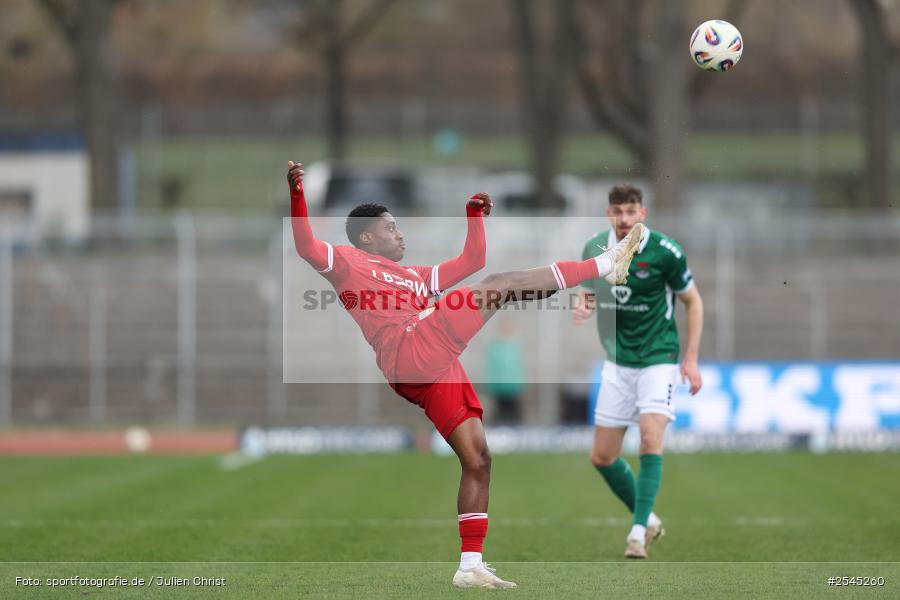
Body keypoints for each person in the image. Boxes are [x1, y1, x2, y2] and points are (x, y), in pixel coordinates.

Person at [288, 161, 644, 588]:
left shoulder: (417, 278)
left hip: (429, 367)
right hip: (411, 347)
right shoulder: (346, 261)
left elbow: (473, 259)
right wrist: (297, 193)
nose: (399, 232)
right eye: (390, 227)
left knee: (478, 458)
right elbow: (307, 245)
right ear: (368, 237)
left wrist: (474, 218)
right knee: (503, 283)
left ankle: (470, 565)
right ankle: (605, 265)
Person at [572, 183, 704, 559]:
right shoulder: (593, 248)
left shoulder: (666, 251)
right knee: (602, 457)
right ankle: (650, 519)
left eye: (631, 212)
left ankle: (637, 532)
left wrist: (690, 359)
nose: (624, 219)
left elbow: (693, 303)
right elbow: (588, 291)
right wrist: (582, 305)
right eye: (618, 211)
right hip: (617, 361)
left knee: (649, 439)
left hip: (658, 358)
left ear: (643, 214)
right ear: (608, 213)